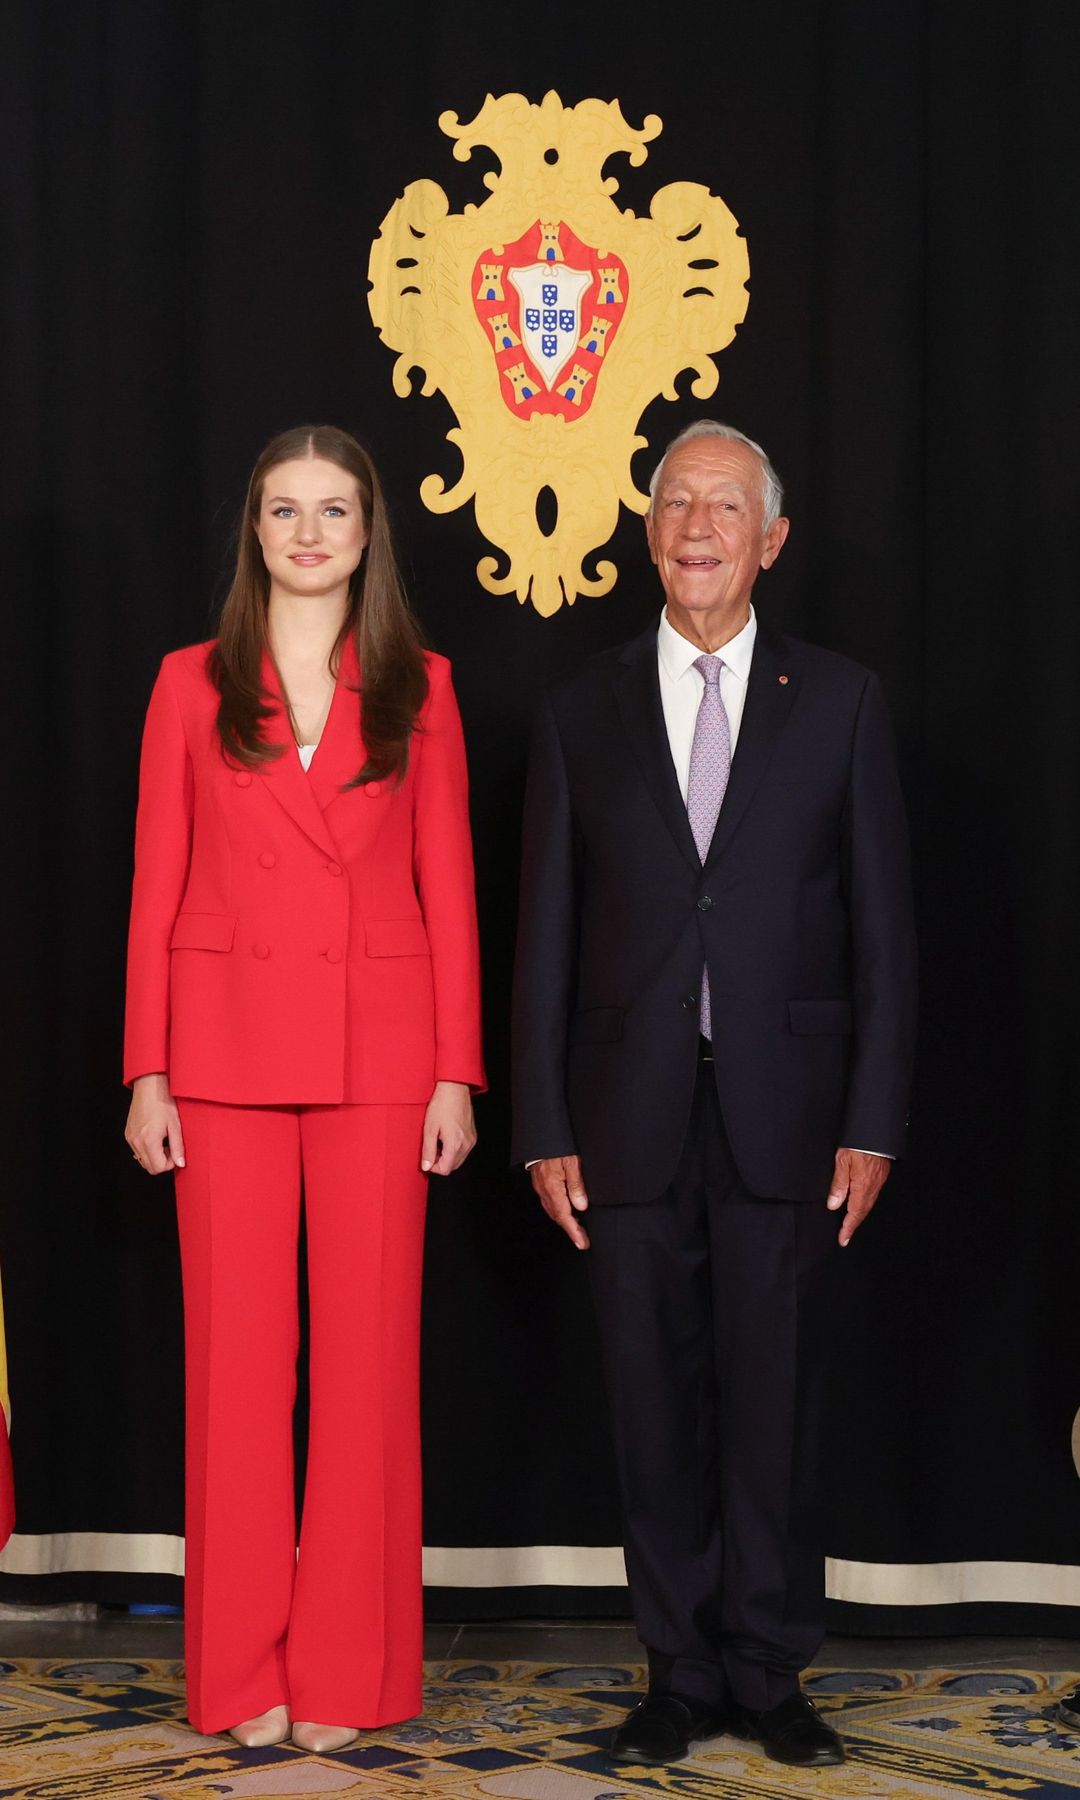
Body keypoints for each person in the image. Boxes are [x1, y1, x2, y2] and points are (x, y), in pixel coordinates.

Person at [512, 421, 916, 1770]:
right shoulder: (584, 706)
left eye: (725, 506)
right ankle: (677, 1673)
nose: (697, 525)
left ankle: (768, 1666)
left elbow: (882, 929)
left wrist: (874, 1115)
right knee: (652, 1401)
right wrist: (542, 1123)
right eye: (677, 501)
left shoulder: (843, 700)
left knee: (775, 1396)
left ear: (772, 540)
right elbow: (546, 934)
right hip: (621, 1113)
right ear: (649, 531)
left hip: (792, 1114)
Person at [124, 425, 484, 1751]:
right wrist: (144, 1068)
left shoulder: (422, 685)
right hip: (217, 1057)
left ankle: (348, 1674)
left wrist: (458, 1069)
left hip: (381, 1060)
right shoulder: (186, 684)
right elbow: (154, 884)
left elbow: (448, 886)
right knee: (234, 1373)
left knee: (367, 1372)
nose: (311, 534)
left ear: (370, 531)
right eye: (287, 511)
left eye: (335, 511)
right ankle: (236, 1676)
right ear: (256, 531)